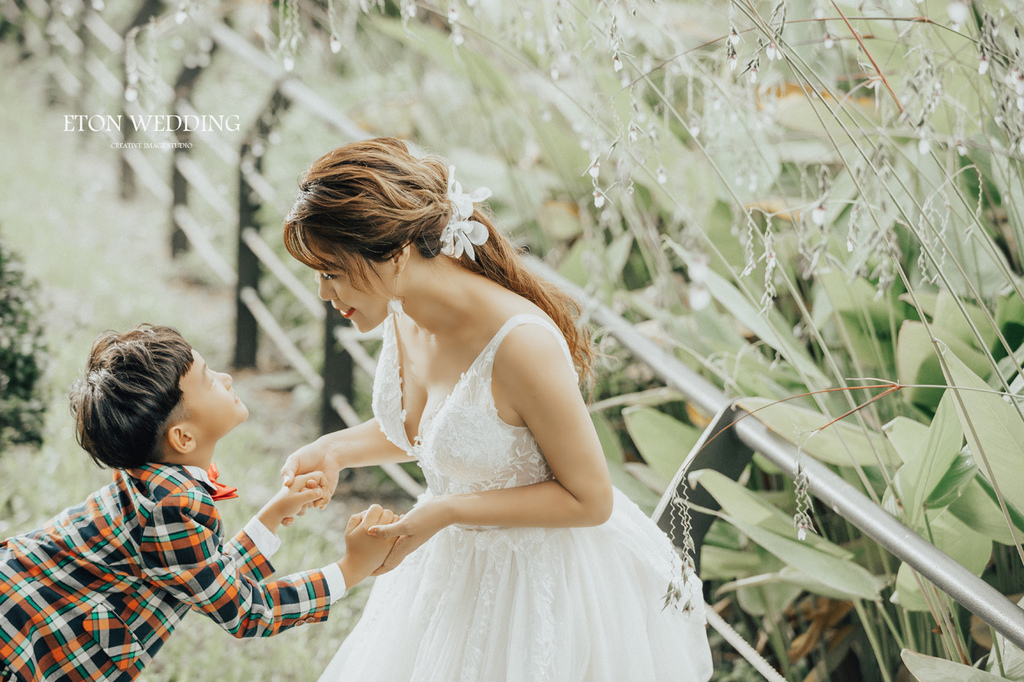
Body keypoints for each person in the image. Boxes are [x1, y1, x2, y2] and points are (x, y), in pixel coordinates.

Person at [280, 138, 713, 681]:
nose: (323, 292)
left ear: (396, 251)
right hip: (452, 568)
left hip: (541, 585)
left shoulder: (520, 345)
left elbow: (590, 498)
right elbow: (441, 432)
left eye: (331, 271)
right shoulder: (401, 306)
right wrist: (334, 449)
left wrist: (445, 511)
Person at [0, 325, 398, 682]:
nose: (226, 378)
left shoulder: (153, 482)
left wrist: (274, 514)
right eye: (209, 380)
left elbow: (207, 577)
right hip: (17, 644)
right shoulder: (171, 507)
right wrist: (349, 571)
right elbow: (246, 611)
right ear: (183, 439)